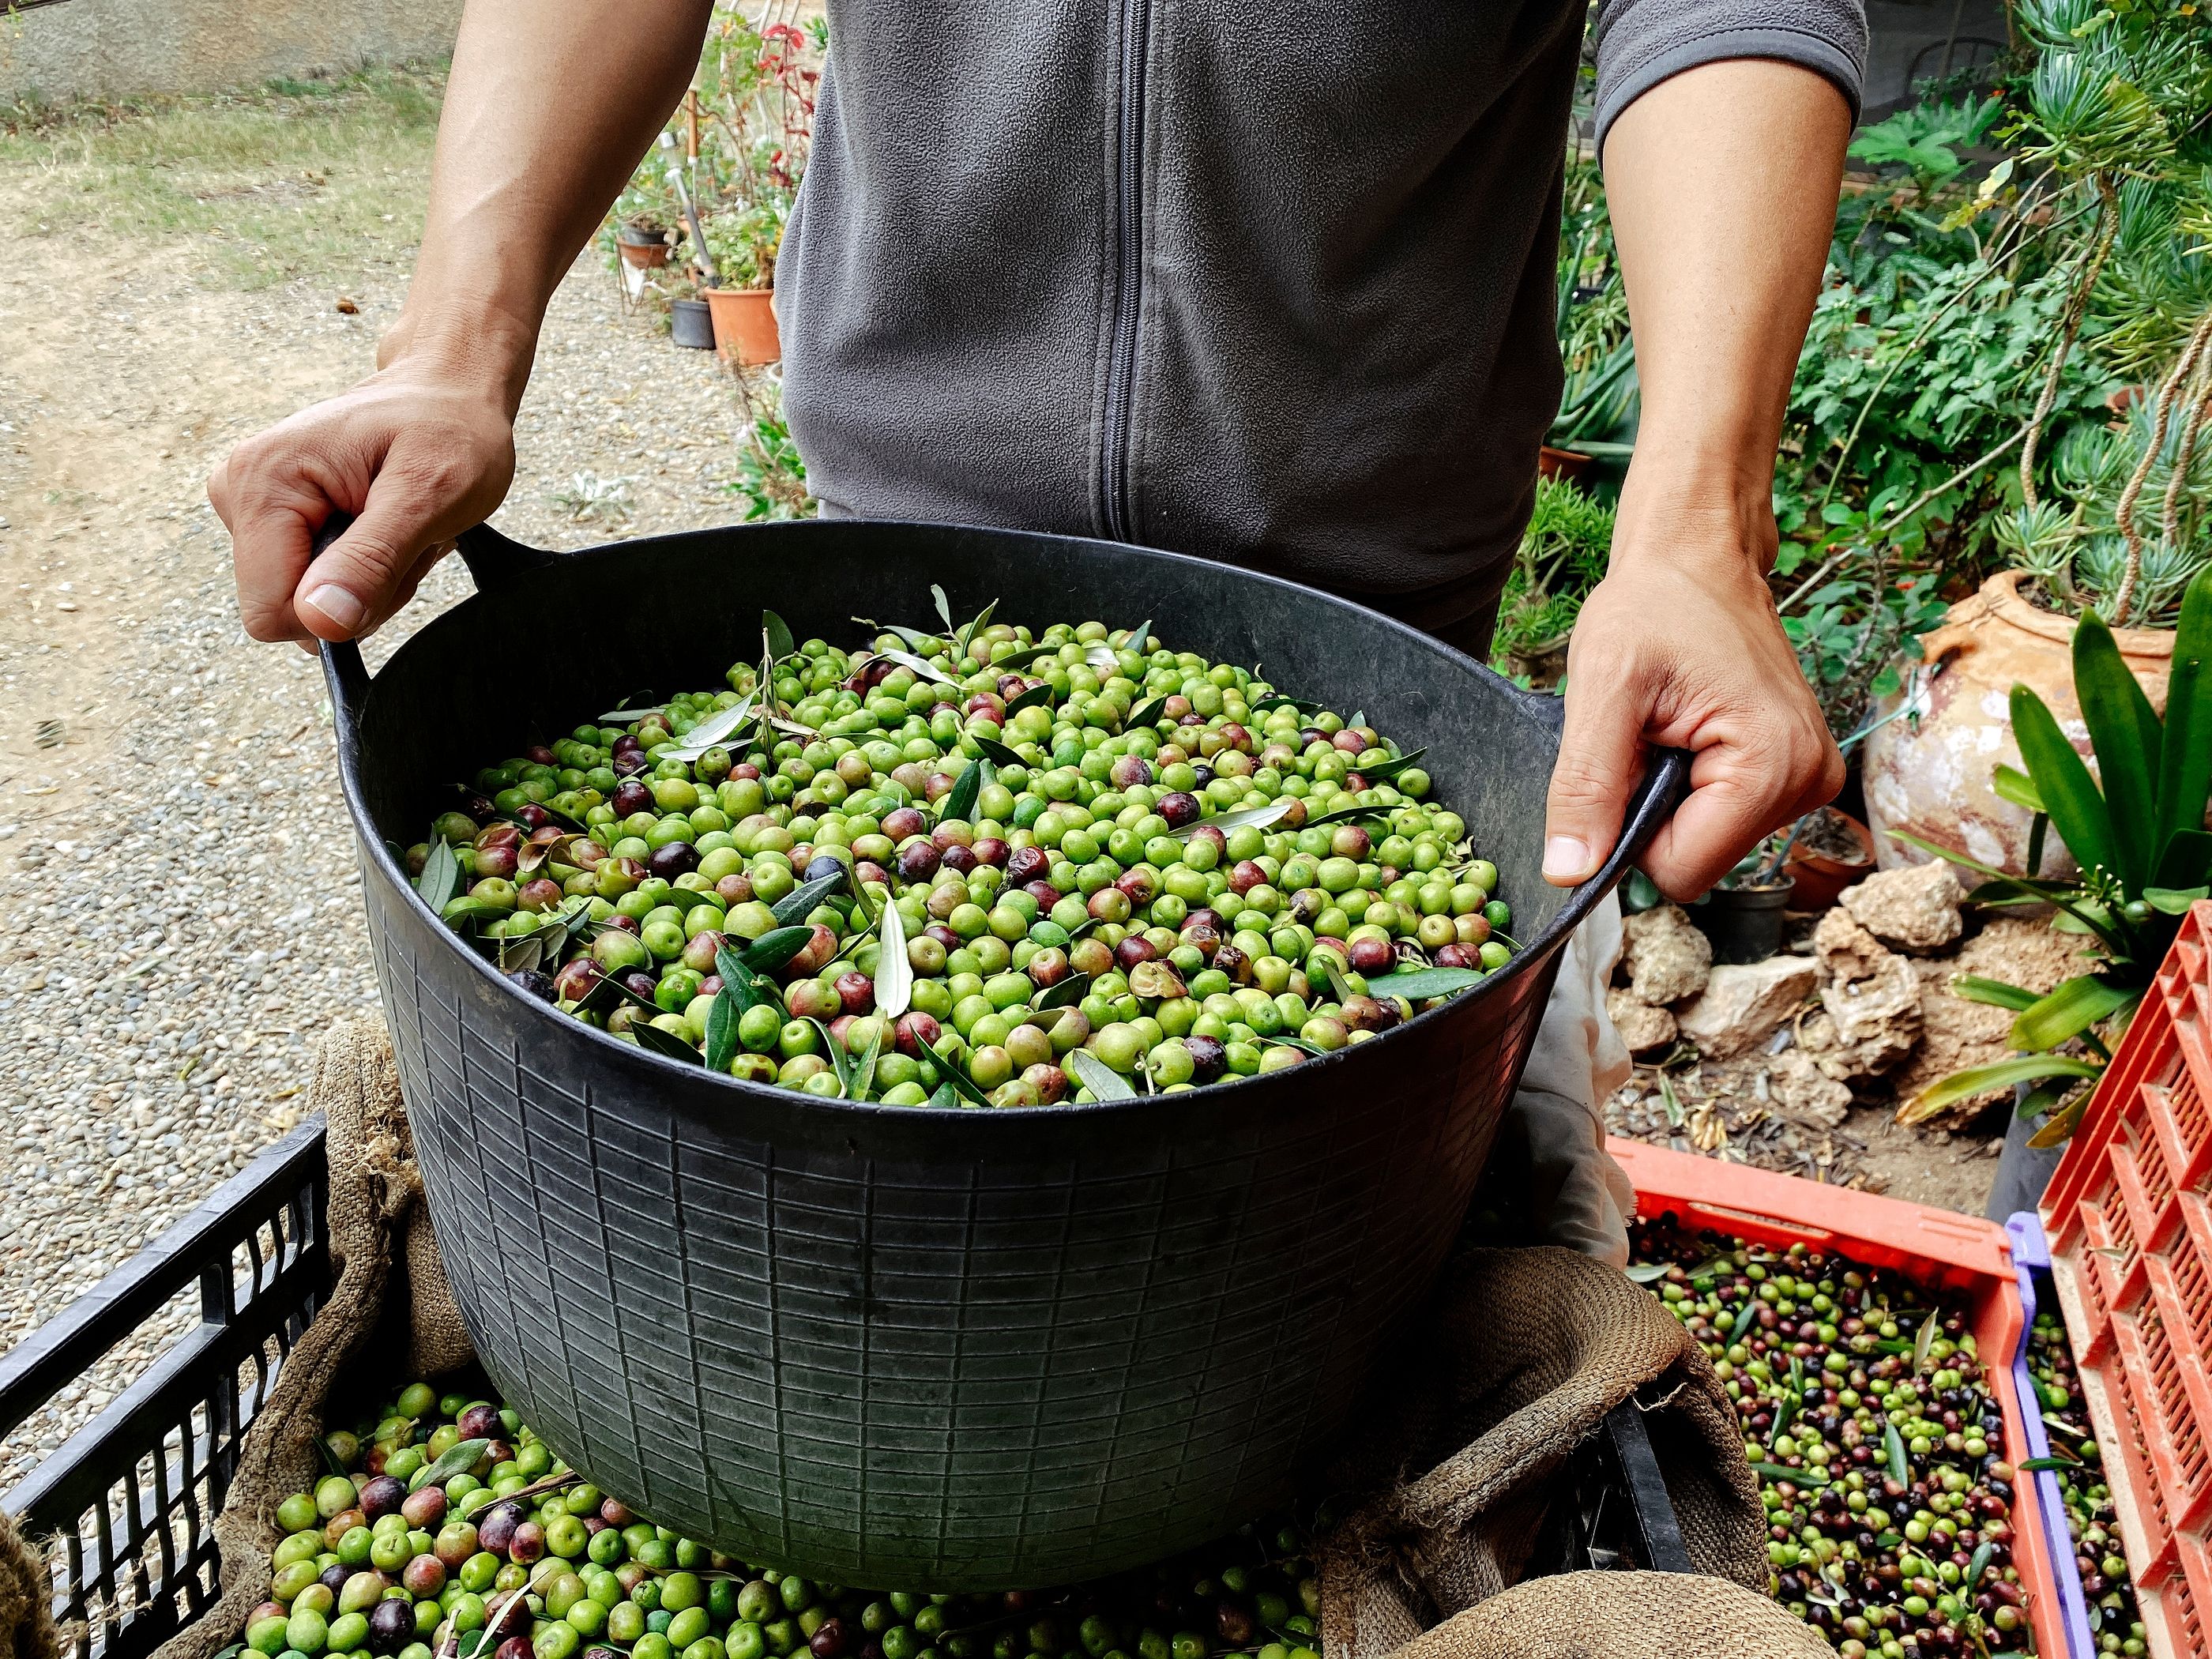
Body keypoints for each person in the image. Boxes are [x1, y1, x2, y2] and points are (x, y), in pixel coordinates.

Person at [209, 0, 1858, 1265]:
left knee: (1430, 1236)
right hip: (879, 628)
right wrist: (450, 345)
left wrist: (1694, 514)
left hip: (1367, 680)